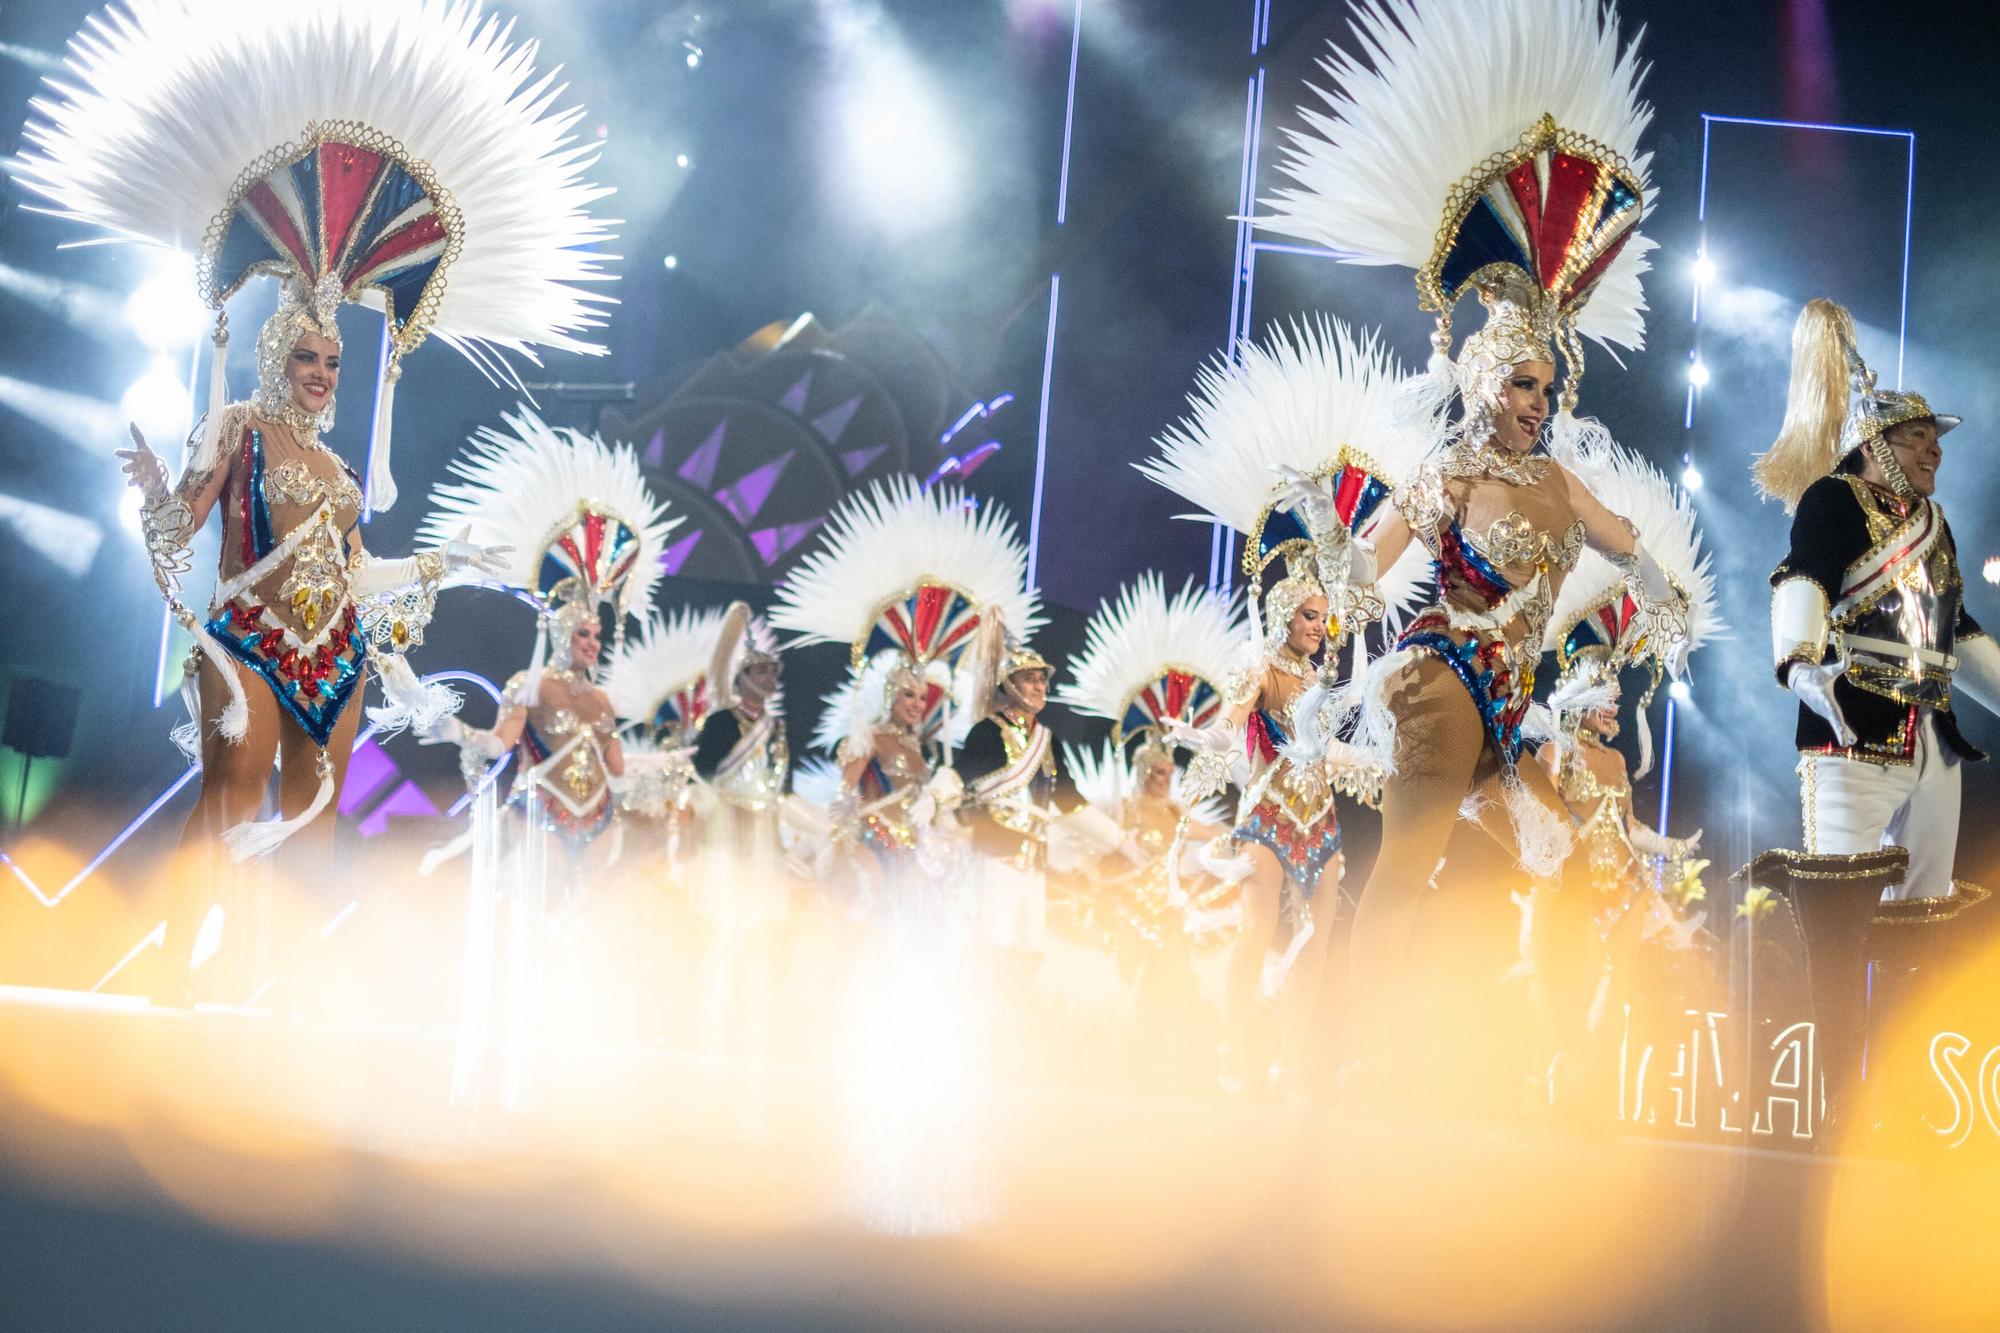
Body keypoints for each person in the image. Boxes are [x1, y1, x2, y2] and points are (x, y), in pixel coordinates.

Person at [21, 0, 617, 1000]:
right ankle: (176, 974)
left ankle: (272, 991)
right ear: (274, 354)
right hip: (248, 633)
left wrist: (440, 562)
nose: (322, 372)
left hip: (331, 646)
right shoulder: (239, 430)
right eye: (307, 356)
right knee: (230, 798)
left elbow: (356, 571)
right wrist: (161, 494)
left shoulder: (343, 475)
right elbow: (184, 531)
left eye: (334, 360)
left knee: (312, 820)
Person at [1249, 0, 1693, 1097]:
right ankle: (1328, 1054)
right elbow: (1370, 561)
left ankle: (1493, 1056)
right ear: (1481, 382)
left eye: (1543, 383)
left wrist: (1660, 596)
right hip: (1444, 676)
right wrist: (1330, 564)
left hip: (1512, 700)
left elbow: (1625, 541)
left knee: (1563, 842)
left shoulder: (1559, 480)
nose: (1530, 400)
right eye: (1514, 381)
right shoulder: (1450, 470)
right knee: (1404, 870)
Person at [1749, 298, 2000, 1117]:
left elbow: (1955, 631)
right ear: (1875, 445)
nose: (1934, 450)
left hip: (1933, 741)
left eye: (1936, 438)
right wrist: (1800, 662)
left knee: (1920, 925)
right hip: (1851, 728)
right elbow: (1804, 579)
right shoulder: (1829, 500)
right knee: (1837, 910)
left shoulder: (1936, 525)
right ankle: (1829, 1104)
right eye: (1919, 436)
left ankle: (1891, 1098)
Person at [416, 410, 677, 1109]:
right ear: (562, 629)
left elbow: (619, 769)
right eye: (586, 631)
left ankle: (576, 1040)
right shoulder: (529, 686)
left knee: (585, 923)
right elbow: (500, 745)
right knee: (532, 917)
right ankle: (517, 1034)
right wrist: (455, 735)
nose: (595, 641)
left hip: (596, 819)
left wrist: (662, 762)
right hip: (539, 811)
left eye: (599, 631)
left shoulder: (603, 698)